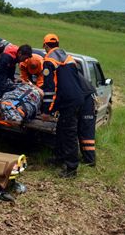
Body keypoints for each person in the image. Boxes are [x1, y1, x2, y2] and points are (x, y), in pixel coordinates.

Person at [41, 33, 95, 178]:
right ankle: (59, 157)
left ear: (45, 45)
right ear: (57, 44)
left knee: (69, 133)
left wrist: (47, 110)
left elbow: (50, 88)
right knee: (61, 129)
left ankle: (71, 168)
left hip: (69, 101)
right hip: (76, 98)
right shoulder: (68, 58)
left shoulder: (48, 61)